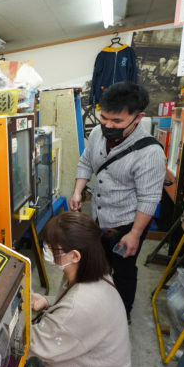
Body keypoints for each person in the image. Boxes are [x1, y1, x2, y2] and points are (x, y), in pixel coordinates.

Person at [30, 211, 146, 367]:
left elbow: (36, 347)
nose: (47, 251)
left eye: (51, 248)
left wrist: (4, 326)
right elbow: (72, 308)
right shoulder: (94, 272)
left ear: (74, 255)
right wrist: (48, 302)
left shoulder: (81, 303)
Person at [69, 81, 165, 321]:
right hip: (99, 216)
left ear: (138, 117)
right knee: (98, 263)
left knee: (123, 270)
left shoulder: (150, 153)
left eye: (117, 121)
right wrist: (78, 191)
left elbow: (149, 198)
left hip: (127, 224)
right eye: (104, 118)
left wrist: (135, 234)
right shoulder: (96, 134)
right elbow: (86, 162)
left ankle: (121, 317)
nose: (108, 125)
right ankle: (99, 306)